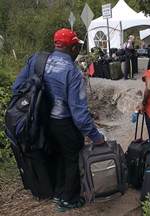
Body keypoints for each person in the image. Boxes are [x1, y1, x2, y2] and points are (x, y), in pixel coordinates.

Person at [12, 28, 105, 212]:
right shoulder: (73, 72)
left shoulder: (36, 60)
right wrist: (96, 137)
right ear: (71, 48)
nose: (78, 50)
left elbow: (18, 87)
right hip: (63, 123)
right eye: (76, 47)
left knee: (56, 155)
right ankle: (69, 199)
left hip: (40, 121)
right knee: (71, 158)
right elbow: (79, 114)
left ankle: (58, 192)